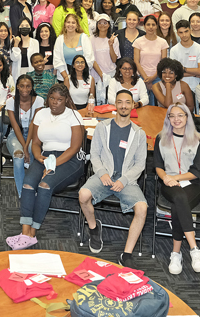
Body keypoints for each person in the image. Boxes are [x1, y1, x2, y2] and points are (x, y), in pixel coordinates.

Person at [6, 84, 84, 250]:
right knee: (27, 185)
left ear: (66, 100)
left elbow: (74, 148)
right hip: (45, 157)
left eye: (59, 100)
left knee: (44, 185)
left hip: (69, 159)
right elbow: (36, 142)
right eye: (52, 98)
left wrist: (53, 164)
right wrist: (38, 156)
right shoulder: (41, 114)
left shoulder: (74, 116)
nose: (55, 103)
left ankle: (33, 233)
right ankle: (24, 231)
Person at [79, 89, 148, 267]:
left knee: (142, 209)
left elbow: (140, 165)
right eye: (120, 102)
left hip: (127, 180)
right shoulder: (102, 127)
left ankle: (126, 254)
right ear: (115, 105)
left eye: (127, 102)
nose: (124, 106)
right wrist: (102, 172)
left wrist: (124, 180)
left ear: (133, 105)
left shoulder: (139, 133)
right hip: (104, 176)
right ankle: (94, 229)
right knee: (83, 195)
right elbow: (94, 154)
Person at [154, 102, 200, 274]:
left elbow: (196, 172)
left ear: (187, 117)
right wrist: (166, 179)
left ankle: (175, 253)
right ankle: (194, 249)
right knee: (178, 197)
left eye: (180, 115)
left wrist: (175, 178)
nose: (176, 119)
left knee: (179, 203)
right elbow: (158, 166)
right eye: (172, 115)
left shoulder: (197, 139)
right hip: (168, 184)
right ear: (168, 118)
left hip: (191, 184)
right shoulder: (160, 138)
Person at [6, 74, 45, 196]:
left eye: (28, 86)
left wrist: (27, 146)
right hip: (16, 135)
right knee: (18, 157)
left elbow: (34, 125)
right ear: (17, 87)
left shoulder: (39, 100)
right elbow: (16, 127)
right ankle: (23, 194)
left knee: (33, 153)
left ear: (32, 87)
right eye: (22, 86)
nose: (25, 89)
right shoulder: (10, 102)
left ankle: (33, 187)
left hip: (34, 134)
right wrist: (24, 148)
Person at [133, 14, 169, 106]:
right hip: (141, 77)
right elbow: (136, 61)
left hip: (157, 78)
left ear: (157, 26)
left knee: (158, 106)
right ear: (144, 26)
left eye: (153, 24)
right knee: (142, 105)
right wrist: (146, 78)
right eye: (148, 25)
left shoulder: (163, 42)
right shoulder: (138, 41)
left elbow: (163, 63)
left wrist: (152, 78)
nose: (151, 27)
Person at [54, 13, 95, 85]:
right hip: (64, 77)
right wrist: (67, 78)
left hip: (82, 76)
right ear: (65, 24)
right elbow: (57, 60)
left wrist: (79, 76)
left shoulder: (84, 38)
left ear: (77, 25)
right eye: (68, 22)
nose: (70, 25)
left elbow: (89, 58)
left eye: (73, 22)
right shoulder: (59, 39)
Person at [170, 20, 200, 92]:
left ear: (190, 30)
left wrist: (183, 69)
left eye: (186, 31)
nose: (184, 35)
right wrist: (194, 73)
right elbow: (174, 73)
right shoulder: (174, 50)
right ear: (177, 33)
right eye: (181, 32)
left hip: (197, 87)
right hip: (179, 87)